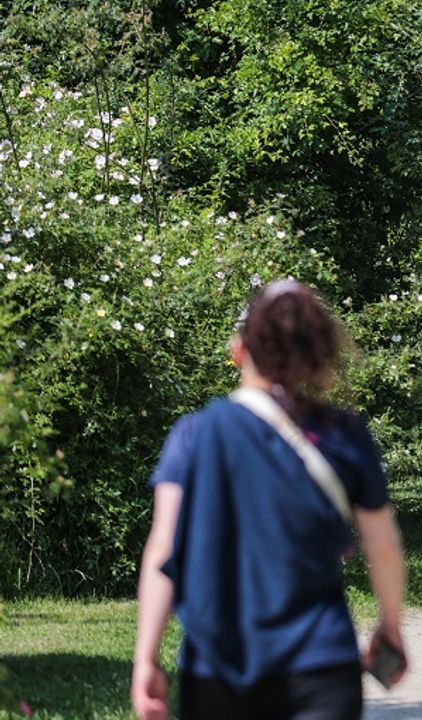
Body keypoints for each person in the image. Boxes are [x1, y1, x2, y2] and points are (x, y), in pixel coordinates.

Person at [132, 280, 407, 720]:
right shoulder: (345, 437)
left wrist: (146, 657)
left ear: (239, 350)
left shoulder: (195, 434)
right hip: (320, 663)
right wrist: (390, 627)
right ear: (317, 353)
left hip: (217, 670)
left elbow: (164, 550)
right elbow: (383, 549)